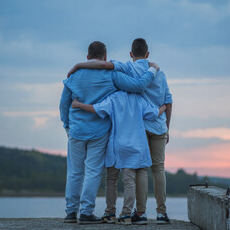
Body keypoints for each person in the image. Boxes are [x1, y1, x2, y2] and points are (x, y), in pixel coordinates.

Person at [68, 38, 173, 224]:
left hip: (123, 136)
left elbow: (98, 103)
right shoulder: (156, 79)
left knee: (118, 176)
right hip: (148, 131)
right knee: (149, 171)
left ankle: (120, 213)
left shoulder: (120, 80)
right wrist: (165, 114)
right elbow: (160, 106)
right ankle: (150, 213)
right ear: (147, 54)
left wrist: (78, 69)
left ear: (131, 54)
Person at [71, 91, 166, 225]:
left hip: (116, 145)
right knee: (129, 181)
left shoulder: (113, 98)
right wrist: (164, 107)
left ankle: (110, 212)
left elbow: (96, 109)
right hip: (135, 145)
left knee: (111, 179)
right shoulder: (139, 99)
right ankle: (126, 215)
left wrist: (78, 104)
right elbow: (154, 113)